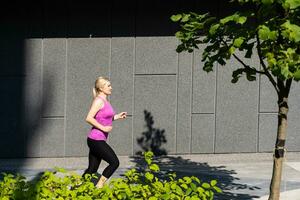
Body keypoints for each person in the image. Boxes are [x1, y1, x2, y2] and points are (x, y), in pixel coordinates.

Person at [82, 76, 127, 188]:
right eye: (108, 85)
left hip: (95, 140)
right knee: (114, 162)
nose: (111, 88)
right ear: (101, 88)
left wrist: (117, 117)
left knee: (92, 169)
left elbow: (104, 118)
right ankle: (99, 185)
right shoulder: (98, 101)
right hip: (96, 140)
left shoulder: (105, 101)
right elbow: (89, 118)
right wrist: (104, 128)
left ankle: (77, 187)